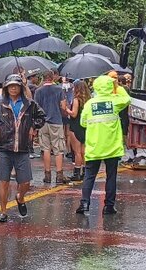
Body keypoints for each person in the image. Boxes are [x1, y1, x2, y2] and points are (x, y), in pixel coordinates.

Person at [0, 75, 45, 222]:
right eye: (10, 86)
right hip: (4, 147)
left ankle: (20, 197)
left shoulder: (30, 104)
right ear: (6, 88)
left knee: (25, 182)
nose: (13, 88)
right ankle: (3, 212)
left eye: (16, 85)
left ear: (21, 87)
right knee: (4, 181)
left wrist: (33, 126)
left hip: (23, 148)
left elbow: (42, 116)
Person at [76, 74, 131, 215]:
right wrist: (117, 87)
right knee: (110, 176)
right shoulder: (115, 102)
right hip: (112, 147)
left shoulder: (89, 104)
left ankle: (84, 203)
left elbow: (82, 123)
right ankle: (109, 206)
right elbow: (127, 99)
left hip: (94, 147)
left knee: (89, 176)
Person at [31, 71, 71, 185]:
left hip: (43, 123)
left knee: (46, 149)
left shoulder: (38, 91)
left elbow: (35, 108)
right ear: (53, 77)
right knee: (58, 149)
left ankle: (47, 175)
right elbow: (63, 106)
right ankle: (59, 175)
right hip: (56, 121)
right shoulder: (59, 89)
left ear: (43, 78)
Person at [65, 78, 89, 183]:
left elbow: (74, 114)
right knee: (84, 151)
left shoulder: (76, 100)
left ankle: (77, 173)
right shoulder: (89, 100)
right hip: (85, 126)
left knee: (77, 152)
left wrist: (66, 109)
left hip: (75, 126)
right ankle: (85, 172)